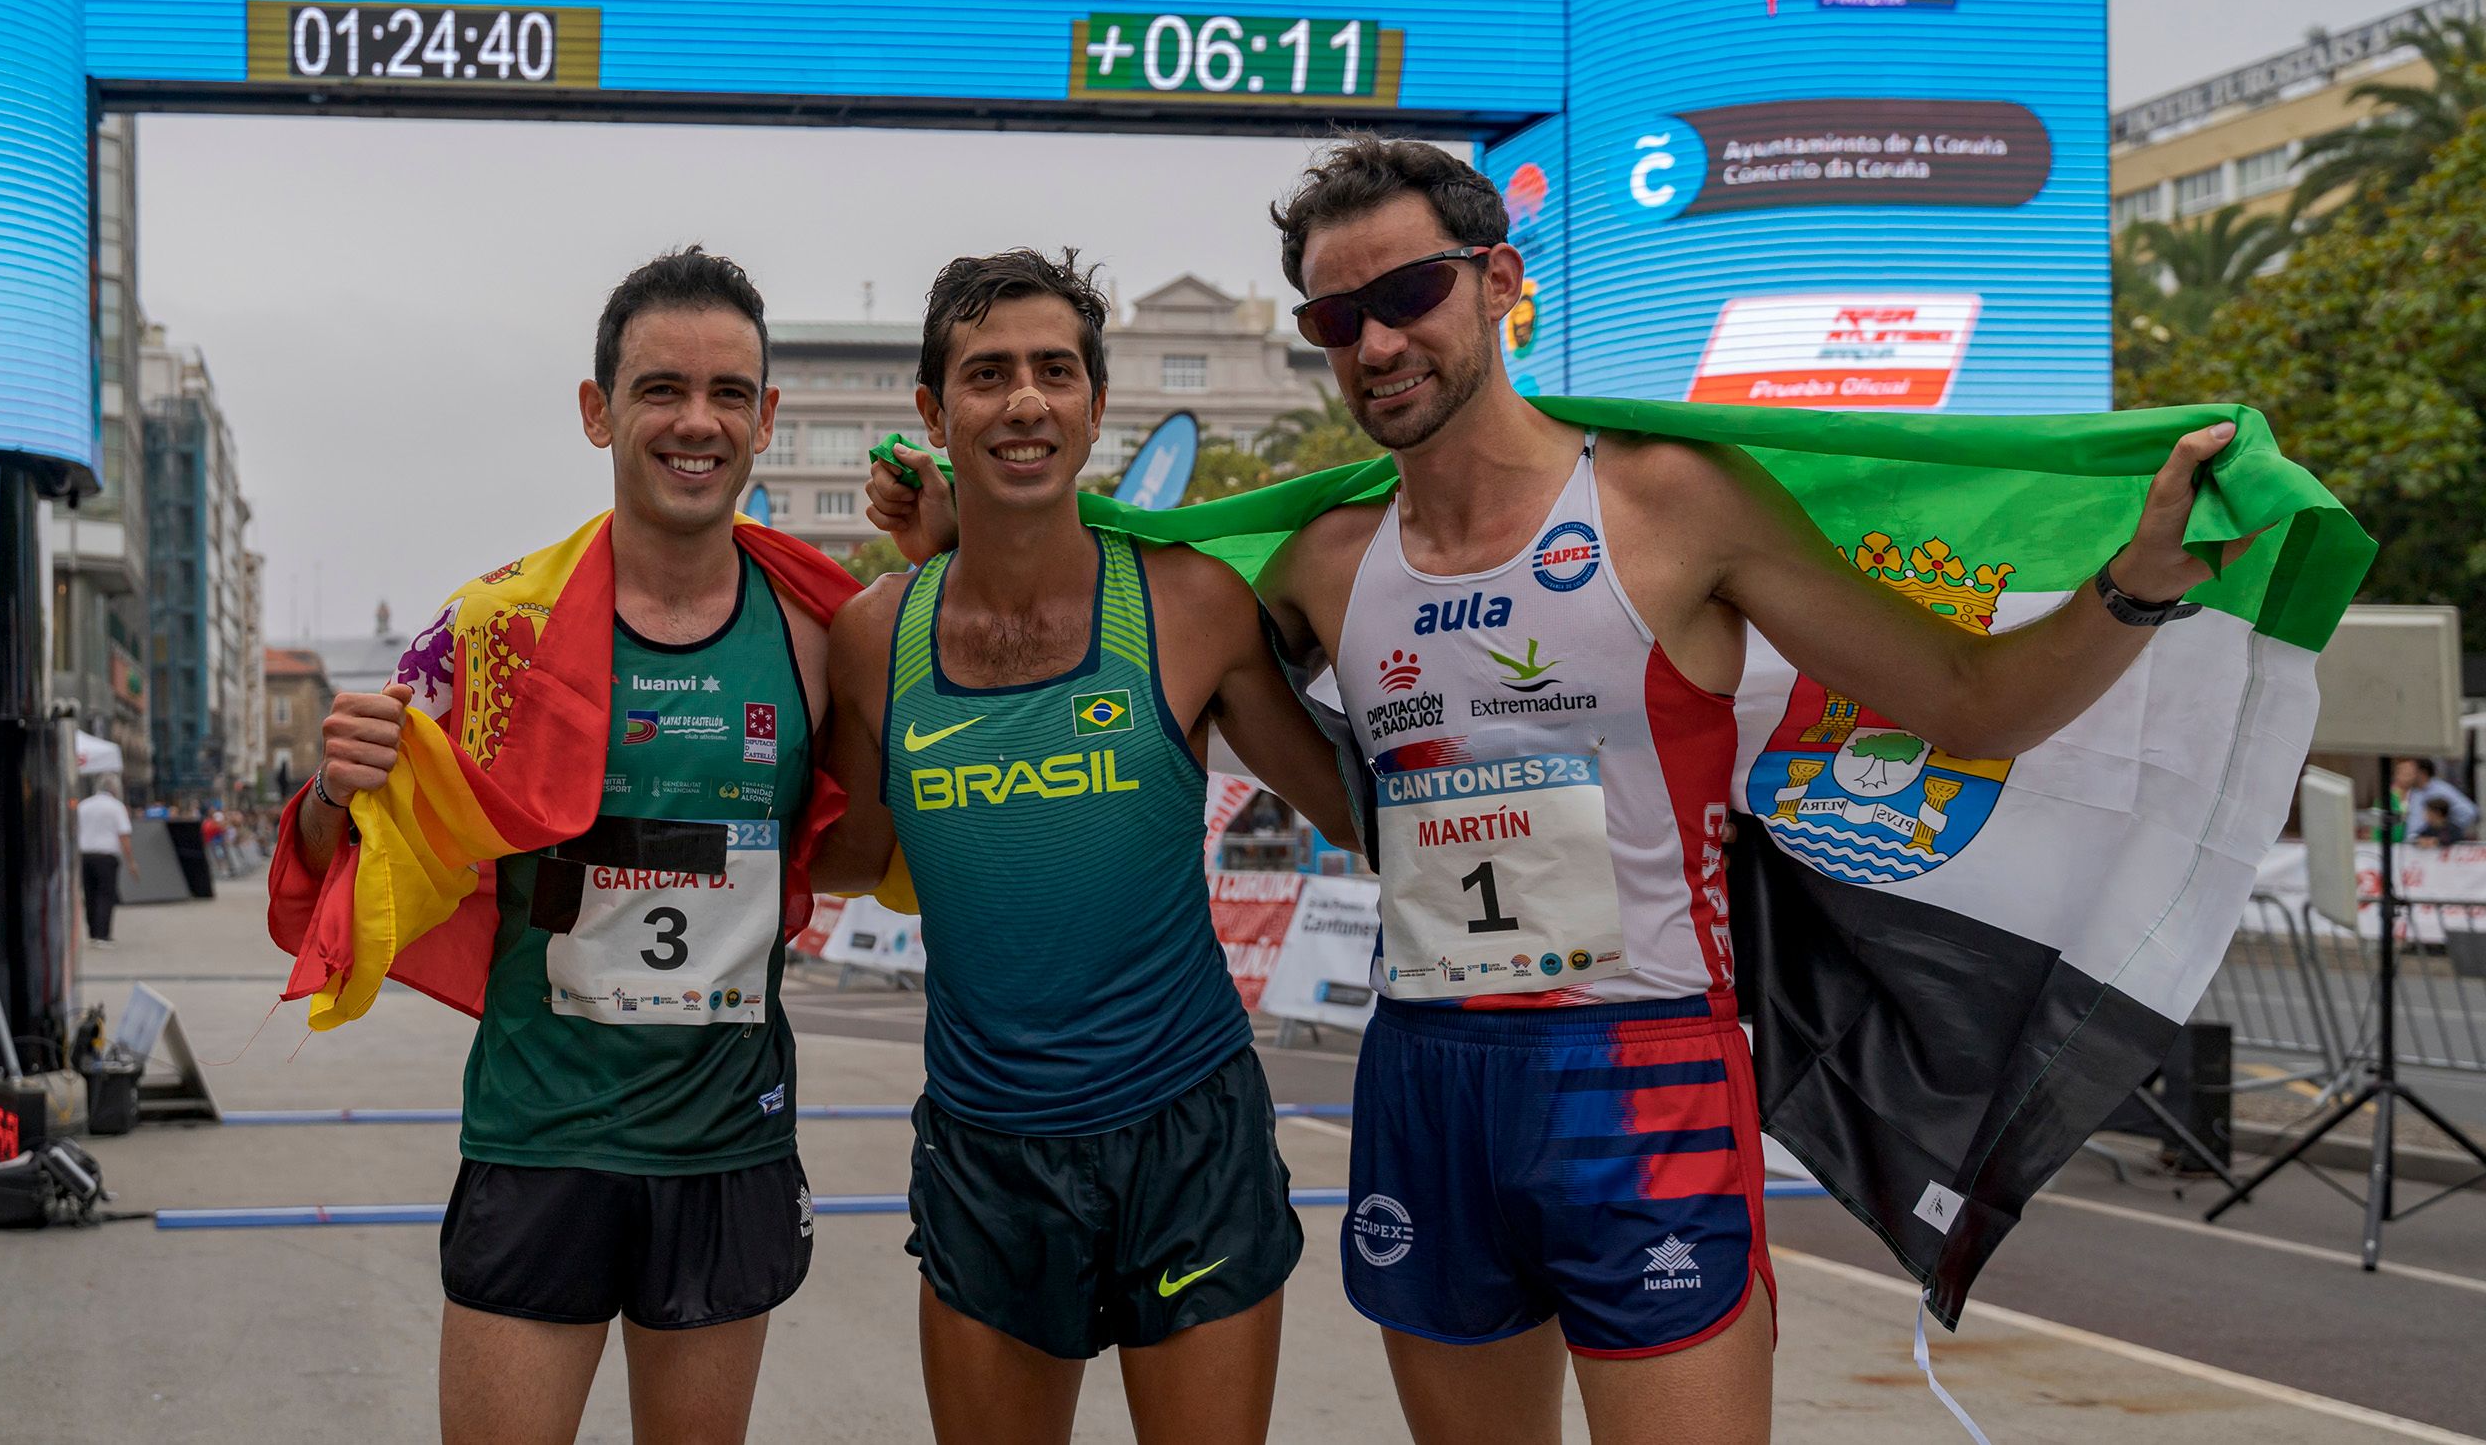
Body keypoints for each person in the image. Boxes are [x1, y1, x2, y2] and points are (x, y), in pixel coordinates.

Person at [867, 138, 2253, 1445]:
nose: (1380, 341)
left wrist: (2130, 588)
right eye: (1336, 320)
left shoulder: (1670, 500)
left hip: (1643, 1076)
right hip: (1426, 1078)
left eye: (1407, 294)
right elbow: (1120, 602)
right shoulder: (1324, 561)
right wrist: (969, 541)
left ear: (1500, 280)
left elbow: (1969, 701)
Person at [283, 249, 851, 1445]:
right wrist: (332, 794)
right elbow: (353, 852)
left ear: (765, 419)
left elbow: (879, 827)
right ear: (597, 410)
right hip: (540, 1139)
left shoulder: (820, 632)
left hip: (725, 1141)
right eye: (659, 389)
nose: (696, 422)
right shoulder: (494, 629)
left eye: (728, 393)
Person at [818, 249, 1357, 1445]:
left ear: (1095, 407)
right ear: (932, 412)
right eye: (988, 374)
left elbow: (1353, 805)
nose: (1024, 400)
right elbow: (846, 856)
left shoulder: (1189, 603)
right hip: (987, 1149)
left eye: (1055, 371)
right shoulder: (870, 639)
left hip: (1188, 1132)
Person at [75, 776, 138, 946]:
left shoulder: (84, 805)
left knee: (90, 894)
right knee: (105, 894)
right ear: (115, 790)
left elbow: (74, 831)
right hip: (106, 855)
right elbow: (124, 835)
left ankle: (93, 932)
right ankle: (103, 935)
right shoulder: (116, 807)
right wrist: (131, 861)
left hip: (85, 854)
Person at [2391, 757, 2476, 841]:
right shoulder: (2414, 792)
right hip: (2411, 845)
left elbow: (2468, 812)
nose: (2407, 775)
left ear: (2422, 773)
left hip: (2433, 846)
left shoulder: (2441, 790)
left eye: (2411, 771)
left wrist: (2445, 829)